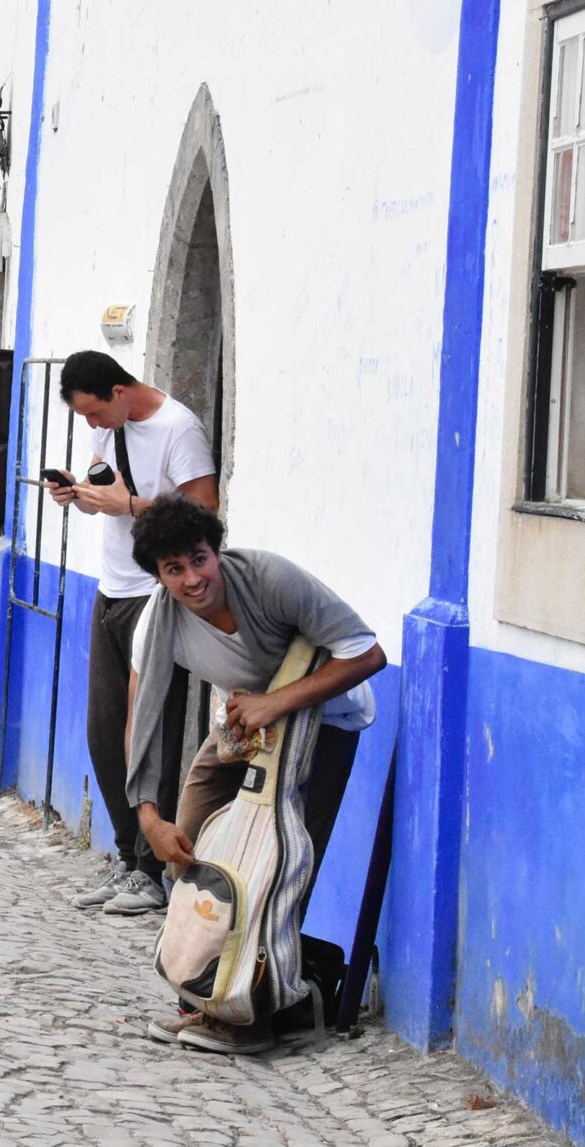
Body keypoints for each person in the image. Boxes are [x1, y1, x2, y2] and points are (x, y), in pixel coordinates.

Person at [124, 496, 385, 1055]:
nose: (193, 578)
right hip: (243, 723)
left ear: (215, 551)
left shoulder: (270, 580)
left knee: (279, 863)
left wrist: (276, 702)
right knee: (190, 848)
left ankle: (255, 1016)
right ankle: (206, 994)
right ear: (159, 577)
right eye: (174, 569)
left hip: (324, 722)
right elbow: (143, 715)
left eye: (199, 559)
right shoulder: (159, 622)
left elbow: (367, 654)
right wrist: (148, 817)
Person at [41, 350, 219, 919]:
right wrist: (79, 496)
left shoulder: (179, 428)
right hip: (111, 588)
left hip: (157, 595)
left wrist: (132, 504)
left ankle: (151, 869)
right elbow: (108, 499)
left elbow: (205, 511)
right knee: (104, 731)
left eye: (94, 413)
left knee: (150, 735)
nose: (91, 425)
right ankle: (127, 855)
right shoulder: (109, 430)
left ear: (119, 392)